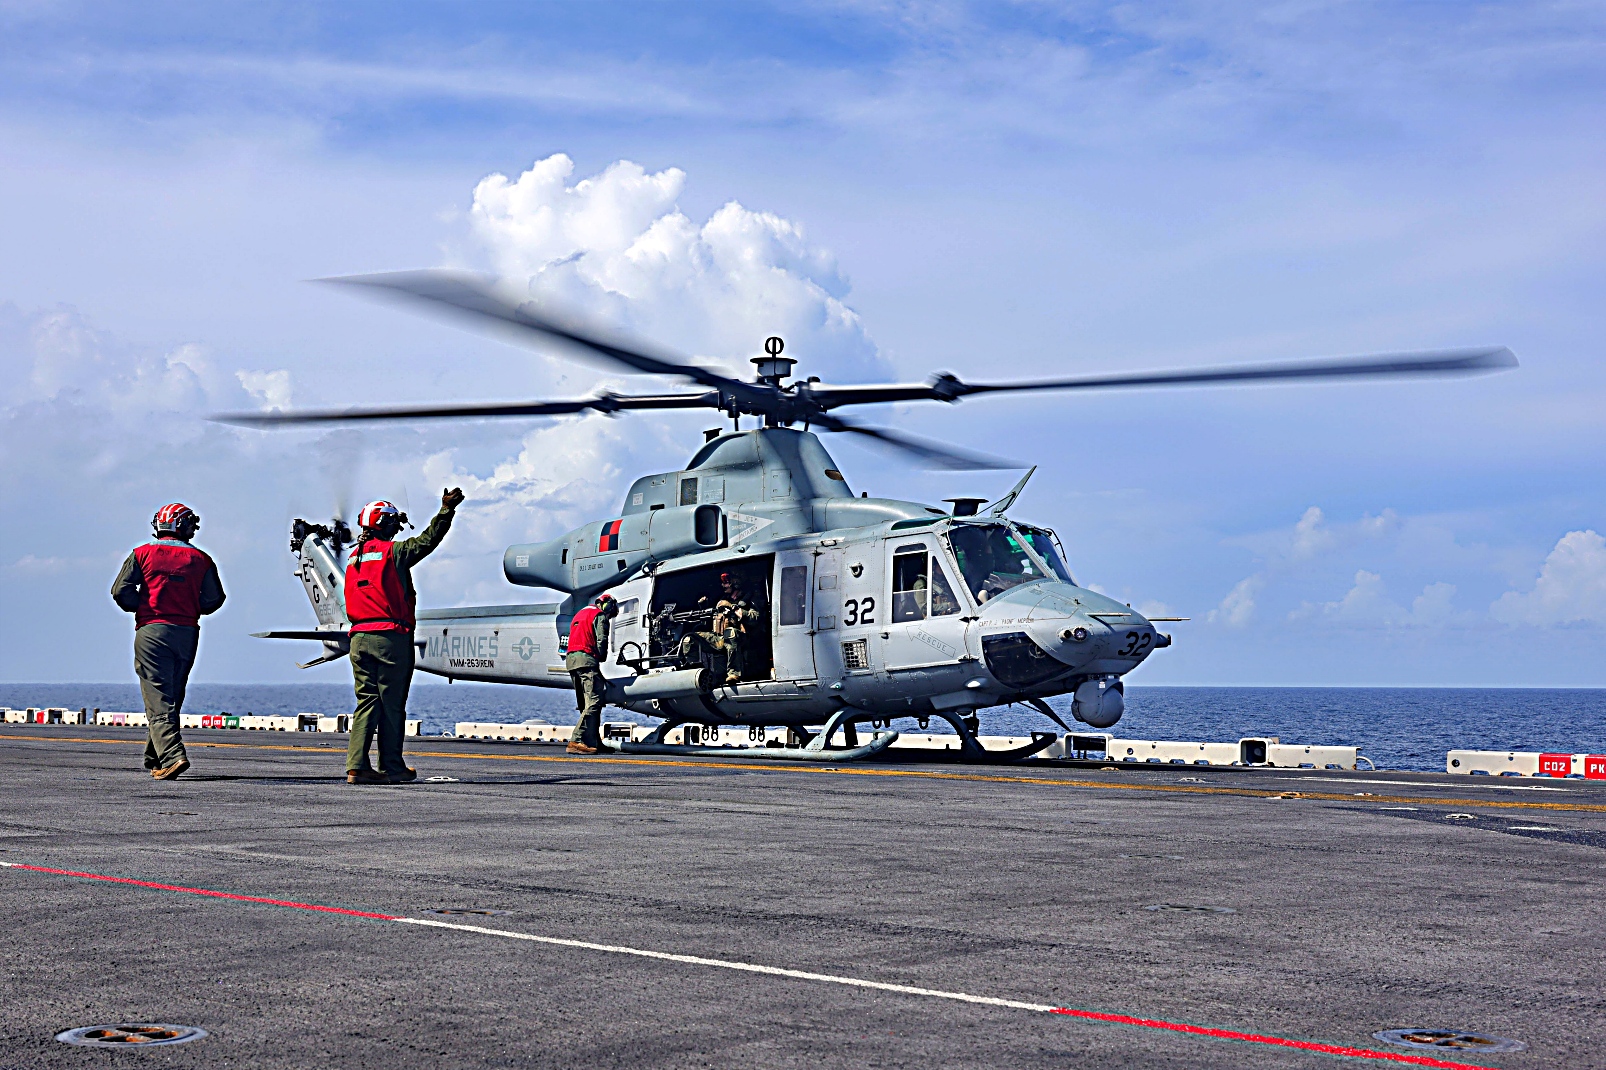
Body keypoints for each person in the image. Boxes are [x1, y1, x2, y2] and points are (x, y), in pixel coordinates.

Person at [344, 488, 463, 784]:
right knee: (392, 704)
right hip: (389, 638)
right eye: (393, 522)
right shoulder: (392, 553)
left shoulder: (354, 558)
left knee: (367, 701)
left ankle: (357, 765)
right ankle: (392, 766)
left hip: (358, 638)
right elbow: (427, 541)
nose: (396, 527)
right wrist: (446, 510)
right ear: (384, 523)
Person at [111, 503, 226, 781]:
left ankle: (173, 756)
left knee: (158, 697)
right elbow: (215, 599)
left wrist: (143, 605)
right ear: (184, 526)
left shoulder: (142, 554)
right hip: (187, 632)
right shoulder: (202, 559)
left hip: (152, 630)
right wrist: (188, 606)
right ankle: (156, 759)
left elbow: (120, 591)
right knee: (173, 694)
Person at [565, 593, 618, 755]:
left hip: (572, 661)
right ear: (607, 606)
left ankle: (593, 742)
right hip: (586, 660)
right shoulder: (599, 615)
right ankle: (576, 740)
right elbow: (602, 640)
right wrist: (601, 657)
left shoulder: (580, 614)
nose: (608, 618)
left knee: (585, 705)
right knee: (594, 702)